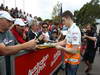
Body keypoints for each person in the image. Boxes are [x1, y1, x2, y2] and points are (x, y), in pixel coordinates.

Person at [54, 10, 81, 75]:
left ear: (68, 18)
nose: (63, 23)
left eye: (63, 20)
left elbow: (74, 50)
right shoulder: (70, 29)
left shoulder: (75, 31)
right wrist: (54, 44)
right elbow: (65, 41)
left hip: (73, 62)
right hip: (69, 60)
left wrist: (61, 48)